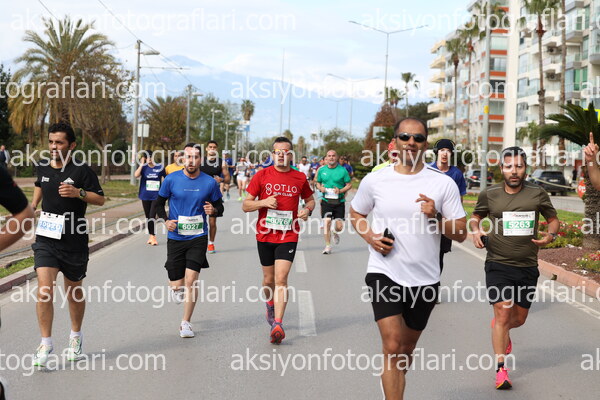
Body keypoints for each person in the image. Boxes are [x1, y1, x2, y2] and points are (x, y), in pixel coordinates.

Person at [349, 117, 467, 400]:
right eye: (405, 137)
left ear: (425, 144)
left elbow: (461, 232)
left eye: (418, 138)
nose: (411, 142)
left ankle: (392, 382)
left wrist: (436, 217)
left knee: (405, 350)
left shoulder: (442, 184)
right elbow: (356, 213)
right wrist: (371, 237)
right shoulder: (375, 180)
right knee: (392, 345)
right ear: (395, 142)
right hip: (384, 271)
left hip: (425, 279)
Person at [470, 146, 559, 390]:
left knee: (518, 319)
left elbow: (553, 220)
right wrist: (476, 230)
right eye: (509, 166)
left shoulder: (537, 193)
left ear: (525, 169)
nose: (514, 171)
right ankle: (501, 369)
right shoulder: (490, 194)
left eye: (519, 166)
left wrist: (550, 235)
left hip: (527, 266)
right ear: (502, 168)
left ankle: (502, 328)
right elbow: (475, 217)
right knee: (502, 311)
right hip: (497, 263)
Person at [30, 122, 105, 367]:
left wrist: (78, 193)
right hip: (46, 238)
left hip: (74, 240)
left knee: (73, 292)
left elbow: (101, 199)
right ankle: (45, 343)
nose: (53, 146)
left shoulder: (83, 171)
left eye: (59, 142)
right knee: (44, 290)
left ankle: (75, 337)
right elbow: (40, 185)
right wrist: (33, 206)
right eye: (51, 142)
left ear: (71, 145)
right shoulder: (42, 165)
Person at [242, 137, 314, 344]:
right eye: (278, 152)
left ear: (291, 155)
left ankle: (278, 324)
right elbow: (246, 205)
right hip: (265, 234)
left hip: (288, 235)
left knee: (281, 279)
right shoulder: (262, 175)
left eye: (286, 152)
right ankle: (270, 304)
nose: (282, 155)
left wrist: (307, 210)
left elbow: (310, 200)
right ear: (272, 155)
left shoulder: (299, 177)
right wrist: (263, 202)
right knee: (268, 280)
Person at [155, 143, 224, 338]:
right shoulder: (171, 179)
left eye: (195, 157)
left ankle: (186, 323)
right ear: (182, 159)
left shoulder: (209, 182)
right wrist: (166, 220)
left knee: (192, 279)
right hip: (176, 236)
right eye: (188, 157)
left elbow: (219, 206)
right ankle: (176, 288)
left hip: (198, 236)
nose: (191, 161)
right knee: (177, 285)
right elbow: (158, 204)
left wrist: (214, 210)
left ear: (200, 159)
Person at [429, 139, 467, 277]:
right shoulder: (428, 170)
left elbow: (459, 199)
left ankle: (434, 284)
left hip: (446, 221)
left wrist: (456, 219)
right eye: (442, 150)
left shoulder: (456, 174)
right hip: (428, 219)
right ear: (437, 152)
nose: (445, 153)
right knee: (426, 252)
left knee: (439, 255)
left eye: (448, 151)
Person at [316, 150, 352, 254]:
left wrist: (340, 191)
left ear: (336, 157)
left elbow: (349, 185)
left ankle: (335, 232)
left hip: (339, 201)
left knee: (339, 227)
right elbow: (317, 183)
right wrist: (320, 188)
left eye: (333, 156)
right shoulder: (322, 170)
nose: (331, 157)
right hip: (326, 201)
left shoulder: (343, 170)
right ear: (326, 158)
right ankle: (328, 246)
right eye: (329, 156)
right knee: (327, 222)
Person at [200, 140, 231, 254]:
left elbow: (228, 179)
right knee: (198, 219)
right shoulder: (200, 160)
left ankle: (211, 243)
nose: (212, 149)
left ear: (217, 149)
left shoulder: (221, 162)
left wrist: (221, 179)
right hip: (199, 194)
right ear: (207, 149)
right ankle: (198, 242)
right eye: (210, 147)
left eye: (214, 147)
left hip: (213, 195)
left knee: (212, 222)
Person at [135, 150, 165, 246]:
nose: (150, 159)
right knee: (148, 217)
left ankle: (153, 236)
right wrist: (142, 164)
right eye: (147, 157)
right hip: (145, 195)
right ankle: (151, 236)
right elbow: (136, 175)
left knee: (152, 216)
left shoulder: (159, 167)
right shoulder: (143, 168)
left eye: (151, 156)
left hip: (156, 196)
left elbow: (166, 178)